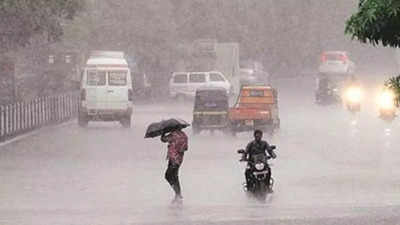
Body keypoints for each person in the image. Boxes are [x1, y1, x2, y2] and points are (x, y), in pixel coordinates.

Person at [161, 128, 188, 203]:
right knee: (175, 175)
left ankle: (177, 193)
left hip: (173, 159)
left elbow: (163, 139)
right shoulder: (184, 135)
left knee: (168, 175)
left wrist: (163, 132)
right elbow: (185, 148)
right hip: (179, 159)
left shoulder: (173, 135)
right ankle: (178, 193)